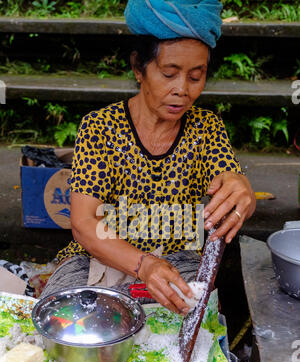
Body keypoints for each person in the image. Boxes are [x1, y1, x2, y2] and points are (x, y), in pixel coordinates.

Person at [41, 0, 256, 314]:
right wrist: (143, 265)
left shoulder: (207, 128)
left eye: (196, 77)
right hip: (99, 257)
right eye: (169, 74)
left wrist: (240, 188)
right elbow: (85, 222)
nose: (182, 89)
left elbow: (227, 176)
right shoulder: (100, 127)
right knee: (64, 320)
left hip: (177, 259)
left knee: (193, 322)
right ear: (138, 68)